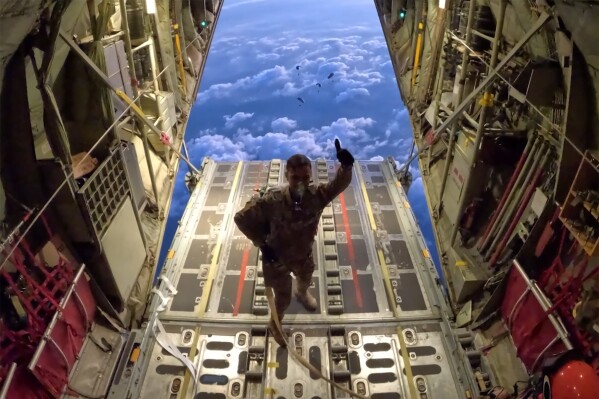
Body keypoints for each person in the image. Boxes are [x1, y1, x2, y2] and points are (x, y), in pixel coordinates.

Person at [234, 139, 354, 346]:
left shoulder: (317, 196)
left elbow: (338, 185)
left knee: (305, 279)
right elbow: (241, 218)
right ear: (286, 176)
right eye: (295, 177)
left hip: (303, 255)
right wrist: (261, 243)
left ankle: (302, 293)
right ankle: (276, 326)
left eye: (305, 177)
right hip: (276, 261)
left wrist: (347, 166)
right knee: (282, 298)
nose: (300, 183)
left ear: (311, 177)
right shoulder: (272, 200)